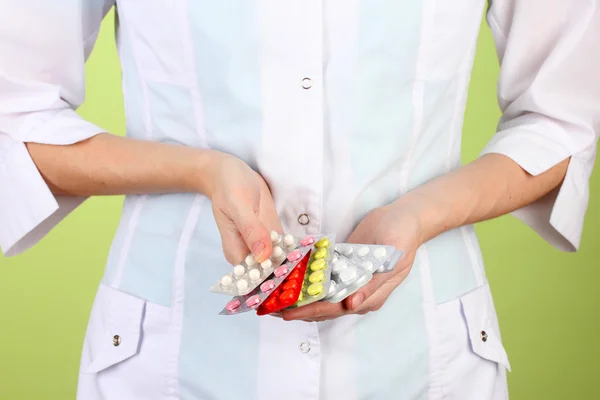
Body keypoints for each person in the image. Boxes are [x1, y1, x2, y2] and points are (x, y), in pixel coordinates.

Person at [1, 1, 598, 399]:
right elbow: (15, 111)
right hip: (178, 359)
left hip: (422, 360)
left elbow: (561, 118)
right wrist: (202, 170)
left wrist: (421, 214)